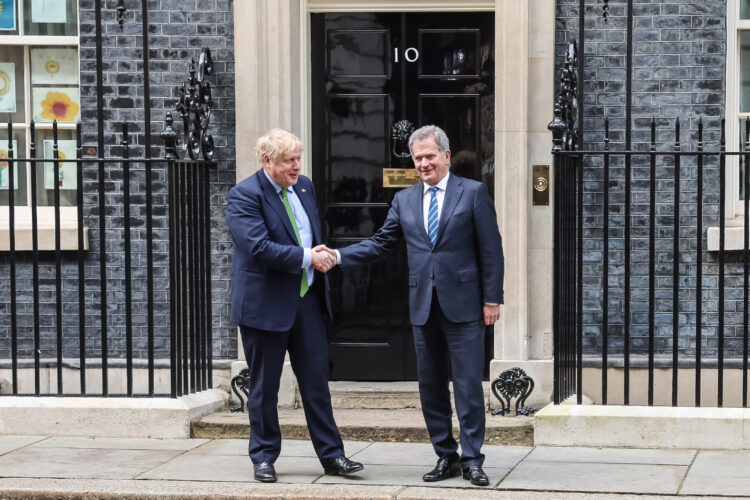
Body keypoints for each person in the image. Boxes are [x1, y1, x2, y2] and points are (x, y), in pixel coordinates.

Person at [325, 125, 503, 486]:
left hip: (466, 306)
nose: (423, 163)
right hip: (423, 306)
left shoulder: (473, 193)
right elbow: (380, 244)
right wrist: (339, 255)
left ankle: (473, 460)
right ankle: (446, 456)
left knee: (468, 386)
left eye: (429, 156)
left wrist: (492, 299)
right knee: (431, 386)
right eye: (418, 157)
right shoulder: (405, 200)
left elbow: (491, 251)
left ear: (446, 156)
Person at [226, 128, 364, 483]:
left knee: (316, 383)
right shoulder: (245, 195)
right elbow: (257, 247)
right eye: (290, 160)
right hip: (265, 304)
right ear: (267, 160)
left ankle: (333, 456)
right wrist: (308, 257)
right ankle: (264, 456)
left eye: (299, 159)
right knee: (264, 386)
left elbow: (310, 234)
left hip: (306, 300)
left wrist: (317, 256)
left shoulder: (304, 187)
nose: (297, 166)